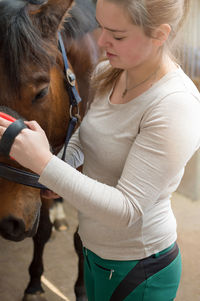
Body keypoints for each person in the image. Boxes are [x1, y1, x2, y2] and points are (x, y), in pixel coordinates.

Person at [0, 0, 200, 300]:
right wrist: (62, 165)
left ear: (160, 34)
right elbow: (87, 136)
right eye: (101, 26)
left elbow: (127, 211)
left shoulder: (175, 105)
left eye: (117, 35)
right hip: (96, 256)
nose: (101, 40)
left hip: (138, 269)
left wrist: (46, 164)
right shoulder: (110, 71)